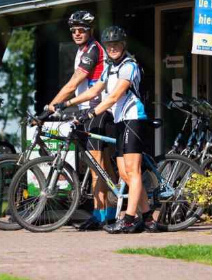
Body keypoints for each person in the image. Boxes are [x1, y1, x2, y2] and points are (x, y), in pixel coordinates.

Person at [54, 26, 158, 234]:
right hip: (120, 121)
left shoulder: (129, 66)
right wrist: (67, 103)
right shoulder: (109, 67)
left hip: (133, 120)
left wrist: (91, 114)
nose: (112, 48)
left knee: (132, 171)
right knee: (124, 174)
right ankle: (148, 218)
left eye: (116, 44)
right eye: (109, 45)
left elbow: (113, 97)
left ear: (123, 45)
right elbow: (95, 90)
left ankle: (128, 219)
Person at [46, 11, 116, 230]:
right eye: (73, 30)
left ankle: (100, 214)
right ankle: (107, 212)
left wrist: (51, 106)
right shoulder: (83, 49)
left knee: (97, 167)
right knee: (103, 166)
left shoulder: (93, 50)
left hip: (97, 111)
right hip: (90, 111)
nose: (77, 34)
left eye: (81, 30)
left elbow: (73, 83)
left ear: (90, 31)